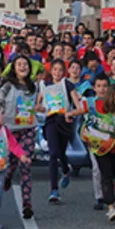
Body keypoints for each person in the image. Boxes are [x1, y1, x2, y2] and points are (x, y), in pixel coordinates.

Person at [78, 77, 115, 222]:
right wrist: (70, 113)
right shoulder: (92, 103)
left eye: (105, 86)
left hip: (114, 146)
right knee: (99, 171)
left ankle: (108, 191)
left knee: (111, 174)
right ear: (94, 88)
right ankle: (104, 200)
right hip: (96, 144)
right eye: (99, 86)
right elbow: (81, 109)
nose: (102, 89)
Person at [0, 55, 39, 220]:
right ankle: (7, 177)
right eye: (19, 64)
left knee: (25, 164)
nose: (23, 67)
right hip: (10, 129)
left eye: (25, 64)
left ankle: (27, 205)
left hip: (28, 128)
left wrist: (40, 108)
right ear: (14, 68)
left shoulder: (34, 86)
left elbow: (39, 104)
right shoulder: (7, 86)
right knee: (11, 164)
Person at [36, 59, 83, 203]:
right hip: (50, 122)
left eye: (60, 70)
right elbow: (38, 105)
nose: (57, 72)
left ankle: (66, 171)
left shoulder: (68, 85)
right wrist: (39, 108)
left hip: (65, 122)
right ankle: (54, 190)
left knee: (61, 153)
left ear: (64, 72)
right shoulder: (44, 86)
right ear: (51, 71)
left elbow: (79, 108)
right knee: (53, 153)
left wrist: (70, 114)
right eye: (55, 69)